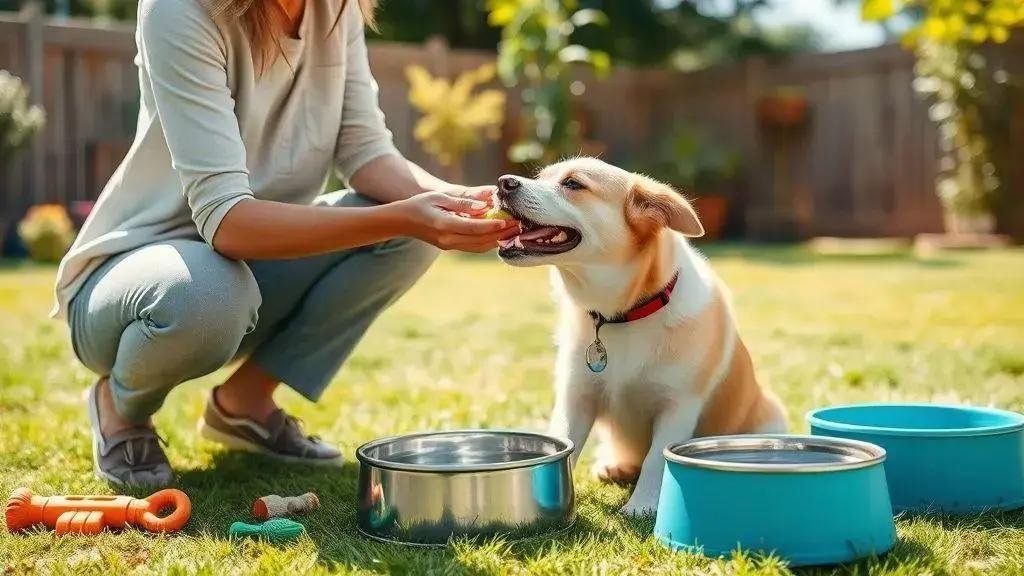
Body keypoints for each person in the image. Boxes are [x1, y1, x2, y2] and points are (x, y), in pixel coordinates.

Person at [51, 0, 518, 487]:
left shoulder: (335, 9)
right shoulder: (179, 10)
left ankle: (245, 404)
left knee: (408, 232)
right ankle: (119, 409)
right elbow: (227, 221)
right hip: (134, 290)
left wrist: (459, 201)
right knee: (213, 291)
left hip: (246, 275)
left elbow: (367, 152)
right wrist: (403, 216)